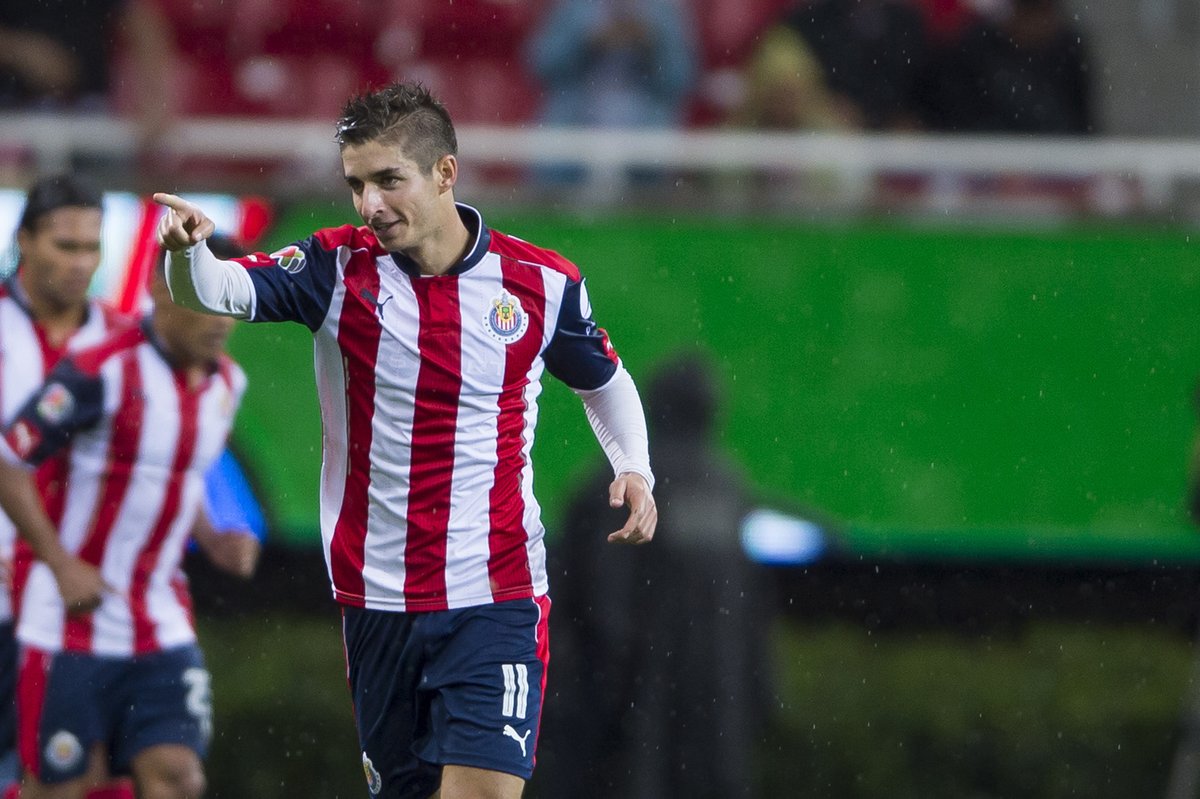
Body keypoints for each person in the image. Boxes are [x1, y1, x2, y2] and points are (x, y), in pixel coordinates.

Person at [153, 80, 658, 799]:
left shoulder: (541, 284)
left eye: (389, 180)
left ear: (445, 172)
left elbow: (603, 379)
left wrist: (634, 466)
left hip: (497, 590)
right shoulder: (334, 269)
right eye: (356, 184)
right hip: (377, 594)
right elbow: (219, 290)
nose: (369, 204)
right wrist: (186, 254)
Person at [0, 178, 258, 799]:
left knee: (167, 775)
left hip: (130, 602)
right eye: (65, 245)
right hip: (54, 593)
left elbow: (167, 468)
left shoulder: (214, 378)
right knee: (61, 780)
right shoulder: (103, 367)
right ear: (24, 242)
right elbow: (11, 458)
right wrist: (60, 563)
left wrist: (210, 535)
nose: (81, 263)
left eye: (92, 248)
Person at [538, 351, 774, 799]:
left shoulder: (610, 489)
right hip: (717, 719)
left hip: (628, 722)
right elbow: (752, 613)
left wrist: (589, 699)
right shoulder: (730, 491)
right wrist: (755, 698)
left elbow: (593, 604)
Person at [524, 0, 699, 185]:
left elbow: (681, 79)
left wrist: (652, 44)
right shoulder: (574, 7)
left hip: (645, 128)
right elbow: (540, 65)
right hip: (575, 122)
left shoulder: (663, 11)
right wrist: (586, 40)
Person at [0, 0, 176, 147]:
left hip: (90, 114)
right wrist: (18, 50)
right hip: (13, 115)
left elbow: (142, 23)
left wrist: (154, 102)